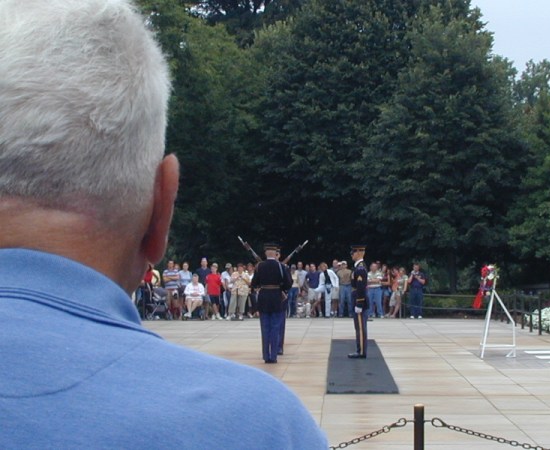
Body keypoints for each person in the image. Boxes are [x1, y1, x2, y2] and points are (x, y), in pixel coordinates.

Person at [0, 2, 328, 447]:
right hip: (271, 305)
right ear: (162, 208)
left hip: (266, 299)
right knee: (274, 331)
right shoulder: (256, 426)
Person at [251, 243, 292, 364]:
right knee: (275, 328)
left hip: (263, 298)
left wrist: (261, 288)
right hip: (276, 298)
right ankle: (273, 356)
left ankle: (265, 355)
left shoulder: (260, 266)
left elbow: (254, 283)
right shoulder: (281, 266)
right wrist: (280, 288)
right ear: (275, 254)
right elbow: (288, 284)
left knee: (265, 328)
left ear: (265, 253)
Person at [348, 245, 368, 358]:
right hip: (356, 297)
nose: (352, 254)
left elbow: (360, 287)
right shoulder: (358, 267)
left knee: (360, 327)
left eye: (354, 252)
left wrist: (359, 303)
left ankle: (361, 351)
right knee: (358, 326)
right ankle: (359, 349)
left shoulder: (360, 268)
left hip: (359, 298)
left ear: (360, 253)